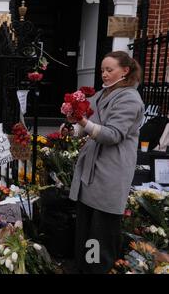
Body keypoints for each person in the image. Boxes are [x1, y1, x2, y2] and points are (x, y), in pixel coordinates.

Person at [67, 51, 144, 274]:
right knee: (86, 230)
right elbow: (88, 124)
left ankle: (95, 270)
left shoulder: (129, 98)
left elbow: (113, 134)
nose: (105, 74)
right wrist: (71, 129)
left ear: (125, 71)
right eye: (103, 70)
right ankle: (84, 268)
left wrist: (82, 122)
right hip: (91, 170)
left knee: (100, 234)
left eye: (110, 70)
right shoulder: (102, 94)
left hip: (111, 171)